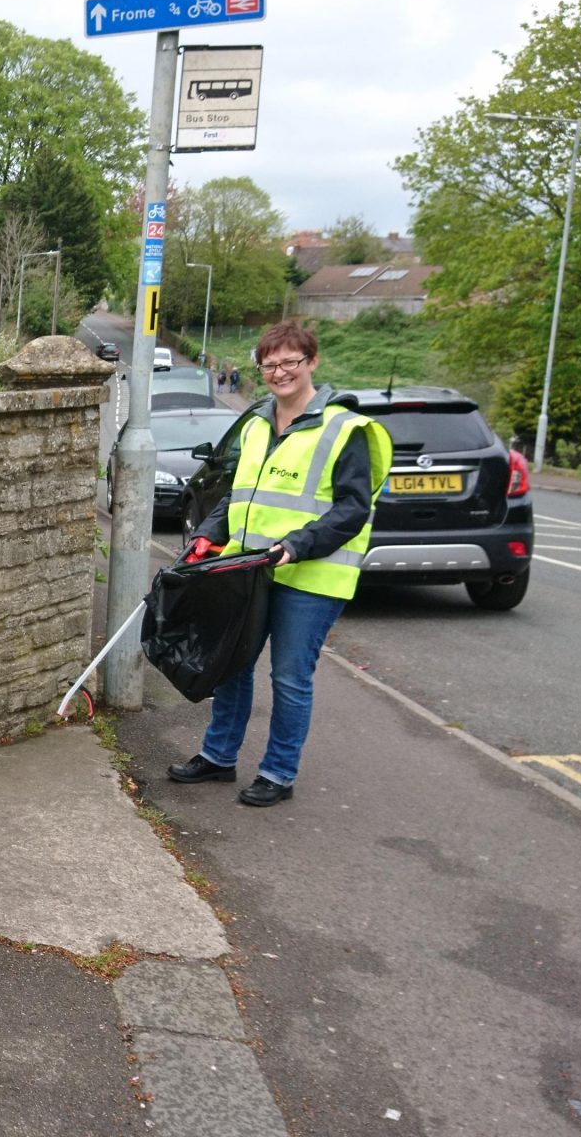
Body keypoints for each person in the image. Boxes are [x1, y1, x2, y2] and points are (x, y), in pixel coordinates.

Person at [166, 321, 390, 807]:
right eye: (269, 364)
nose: (279, 372)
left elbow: (353, 508)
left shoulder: (344, 428)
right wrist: (207, 535)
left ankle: (278, 772)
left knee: (289, 676)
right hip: (249, 569)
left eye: (290, 362)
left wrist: (299, 543)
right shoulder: (258, 424)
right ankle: (219, 757)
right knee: (231, 666)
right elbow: (239, 497)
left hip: (311, 575)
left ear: (312, 362)